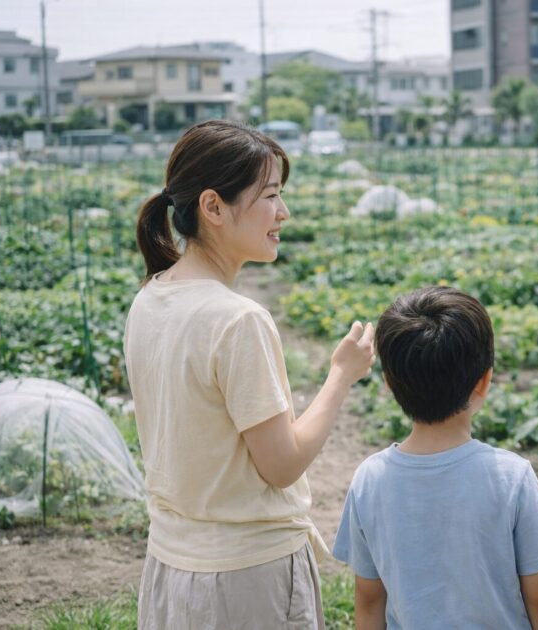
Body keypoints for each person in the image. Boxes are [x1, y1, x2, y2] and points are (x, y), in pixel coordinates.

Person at [125, 119, 375, 629]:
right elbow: (281, 466)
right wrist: (340, 376)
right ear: (213, 207)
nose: (283, 213)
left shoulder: (149, 298)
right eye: (270, 196)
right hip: (247, 579)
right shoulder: (237, 320)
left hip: (171, 567)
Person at [333, 286, 538, 629]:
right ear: (484, 382)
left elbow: (369, 600)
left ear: (388, 384)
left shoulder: (370, 478)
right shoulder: (510, 476)